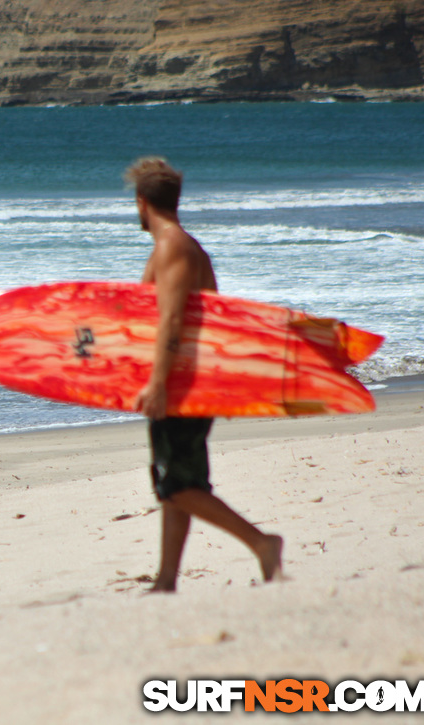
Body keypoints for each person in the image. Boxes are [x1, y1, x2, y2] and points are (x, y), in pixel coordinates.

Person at [126, 157, 283, 593]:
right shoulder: (184, 246)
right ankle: (167, 579)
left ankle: (262, 543)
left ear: (142, 203)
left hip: (181, 384)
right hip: (188, 380)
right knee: (177, 483)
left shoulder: (172, 247)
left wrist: (157, 383)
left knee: (176, 485)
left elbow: (171, 322)